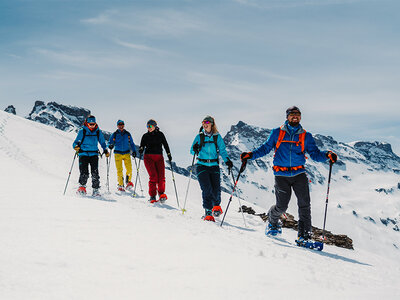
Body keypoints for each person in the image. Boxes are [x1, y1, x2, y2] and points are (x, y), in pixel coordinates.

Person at [240, 106, 337, 244]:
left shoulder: (306, 136)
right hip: (281, 175)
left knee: (304, 205)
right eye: (292, 114)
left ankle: (304, 236)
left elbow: (315, 154)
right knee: (282, 206)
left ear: (301, 117)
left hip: (299, 174)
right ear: (287, 117)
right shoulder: (277, 133)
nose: (295, 116)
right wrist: (251, 155)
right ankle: (272, 221)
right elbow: (265, 148)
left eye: (298, 114)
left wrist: (327, 155)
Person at [190, 116, 233, 222]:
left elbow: (222, 151)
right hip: (202, 165)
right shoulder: (199, 137)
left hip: (214, 165)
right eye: (203, 122)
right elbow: (192, 151)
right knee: (206, 188)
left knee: (216, 189)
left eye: (207, 122)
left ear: (212, 124)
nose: (205, 124)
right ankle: (208, 211)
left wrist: (227, 161)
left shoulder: (217, 137)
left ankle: (216, 206)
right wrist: (195, 149)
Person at [72, 115, 109, 196]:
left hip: (94, 154)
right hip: (83, 153)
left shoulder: (98, 131)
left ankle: (95, 190)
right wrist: (76, 147)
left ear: (95, 123)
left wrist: (105, 150)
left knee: (95, 172)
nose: (92, 126)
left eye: (93, 124)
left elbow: (102, 142)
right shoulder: (82, 131)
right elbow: (75, 143)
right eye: (90, 124)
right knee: (84, 172)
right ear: (87, 123)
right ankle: (82, 187)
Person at [139, 119, 172, 203]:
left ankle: (161, 194)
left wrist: (168, 153)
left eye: (150, 126)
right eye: (147, 126)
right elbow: (142, 145)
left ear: (155, 126)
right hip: (148, 157)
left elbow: (165, 144)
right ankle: (152, 196)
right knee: (153, 176)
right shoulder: (145, 136)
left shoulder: (160, 134)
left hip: (159, 157)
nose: (148, 128)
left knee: (161, 177)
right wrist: (141, 149)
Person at [108, 120, 137, 192]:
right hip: (117, 153)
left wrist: (134, 151)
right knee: (119, 170)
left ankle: (128, 182)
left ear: (124, 125)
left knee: (129, 169)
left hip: (126, 153)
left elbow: (132, 143)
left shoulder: (127, 134)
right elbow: (109, 142)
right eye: (119, 125)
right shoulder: (114, 134)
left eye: (122, 125)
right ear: (117, 126)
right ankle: (120, 185)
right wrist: (110, 146)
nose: (121, 126)